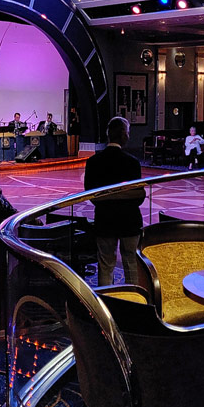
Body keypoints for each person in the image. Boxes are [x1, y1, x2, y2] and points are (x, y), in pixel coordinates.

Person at [84, 116, 145, 286]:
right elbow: (138, 195)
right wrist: (124, 198)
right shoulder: (132, 162)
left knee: (105, 265)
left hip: (105, 219)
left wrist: (107, 199)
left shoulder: (93, 162)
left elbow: (90, 194)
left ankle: (106, 298)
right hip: (130, 220)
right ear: (124, 135)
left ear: (108, 134)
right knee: (131, 264)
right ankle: (133, 298)